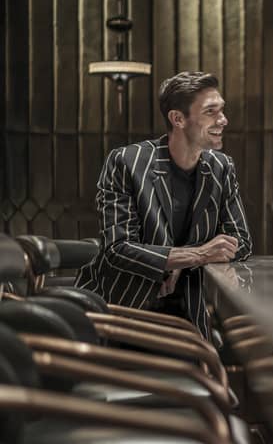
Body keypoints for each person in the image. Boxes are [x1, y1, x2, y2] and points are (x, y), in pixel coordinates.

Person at [75, 71, 252, 338]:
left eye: (222, 110)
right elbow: (118, 248)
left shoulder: (221, 167)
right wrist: (199, 255)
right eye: (210, 112)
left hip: (191, 316)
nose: (223, 120)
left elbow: (242, 241)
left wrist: (179, 262)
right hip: (122, 315)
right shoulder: (126, 162)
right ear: (178, 119)